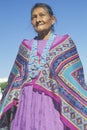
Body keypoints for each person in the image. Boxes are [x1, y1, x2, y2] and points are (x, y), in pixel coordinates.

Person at [0, 2, 87, 130]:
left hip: (52, 104)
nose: (38, 19)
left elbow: (75, 78)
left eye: (42, 15)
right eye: (34, 17)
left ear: (52, 19)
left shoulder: (65, 43)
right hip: (26, 104)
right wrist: (15, 97)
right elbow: (15, 79)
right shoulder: (25, 46)